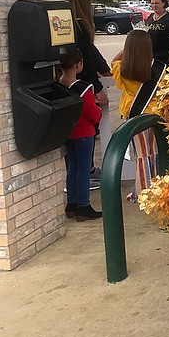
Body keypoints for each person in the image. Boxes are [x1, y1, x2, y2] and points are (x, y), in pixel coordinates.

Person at [60, 0, 110, 180]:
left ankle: (79, 173)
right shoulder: (79, 25)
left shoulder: (63, 25)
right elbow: (87, 57)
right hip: (81, 86)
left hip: (66, 84)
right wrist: (97, 86)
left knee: (71, 136)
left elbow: (91, 53)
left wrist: (104, 69)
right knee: (87, 131)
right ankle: (86, 172)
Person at [111, 29, 166, 202]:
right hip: (154, 118)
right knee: (154, 155)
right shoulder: (158, 69)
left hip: (134, 118)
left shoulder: (122, 70)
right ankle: (152, 191)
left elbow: (114, 61)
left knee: (142, 156)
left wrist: (127, 50)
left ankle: (143, 193)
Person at [57, 48, 102, 221]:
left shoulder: (58, 87)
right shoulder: (84, 88)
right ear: (78, 65)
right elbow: (93, 114)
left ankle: (72, 203)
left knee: (72, 168)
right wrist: (98, 111)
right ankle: (83, 206)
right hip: (84, 133)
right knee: (83, 169)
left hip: (67, 133)